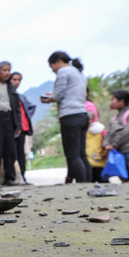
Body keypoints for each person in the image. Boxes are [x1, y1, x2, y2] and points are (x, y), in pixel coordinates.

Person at [40, 51, 90, 183]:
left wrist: (48, 99)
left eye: (52, 67)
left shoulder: (63, 72)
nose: (53, 71)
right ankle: (88, 182)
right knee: (81, 153)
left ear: (58, 62)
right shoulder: (78, 73)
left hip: (70, 115)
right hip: (82, 114)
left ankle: (81, 183)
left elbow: (58, 96)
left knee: (72, 154)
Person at [103, 89, 129, 181]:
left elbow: (128, 131)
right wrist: (106, 144)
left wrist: (114, 144)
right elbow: (109, 133)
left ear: (121, 102)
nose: (111, 102)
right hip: (118, 152)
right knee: (124, 177)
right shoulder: (114, 118)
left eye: (112, 99)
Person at [9, 72, 35, 184]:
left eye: (19, 80)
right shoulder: (6, 96)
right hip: (10, 129)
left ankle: (22, 177)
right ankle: (11, 177)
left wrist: (26, 119)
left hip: (22, 129)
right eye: (14, 79)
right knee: (10, 154)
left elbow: (31, 107)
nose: (16, 82)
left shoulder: (22, 97)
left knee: (21, 154)